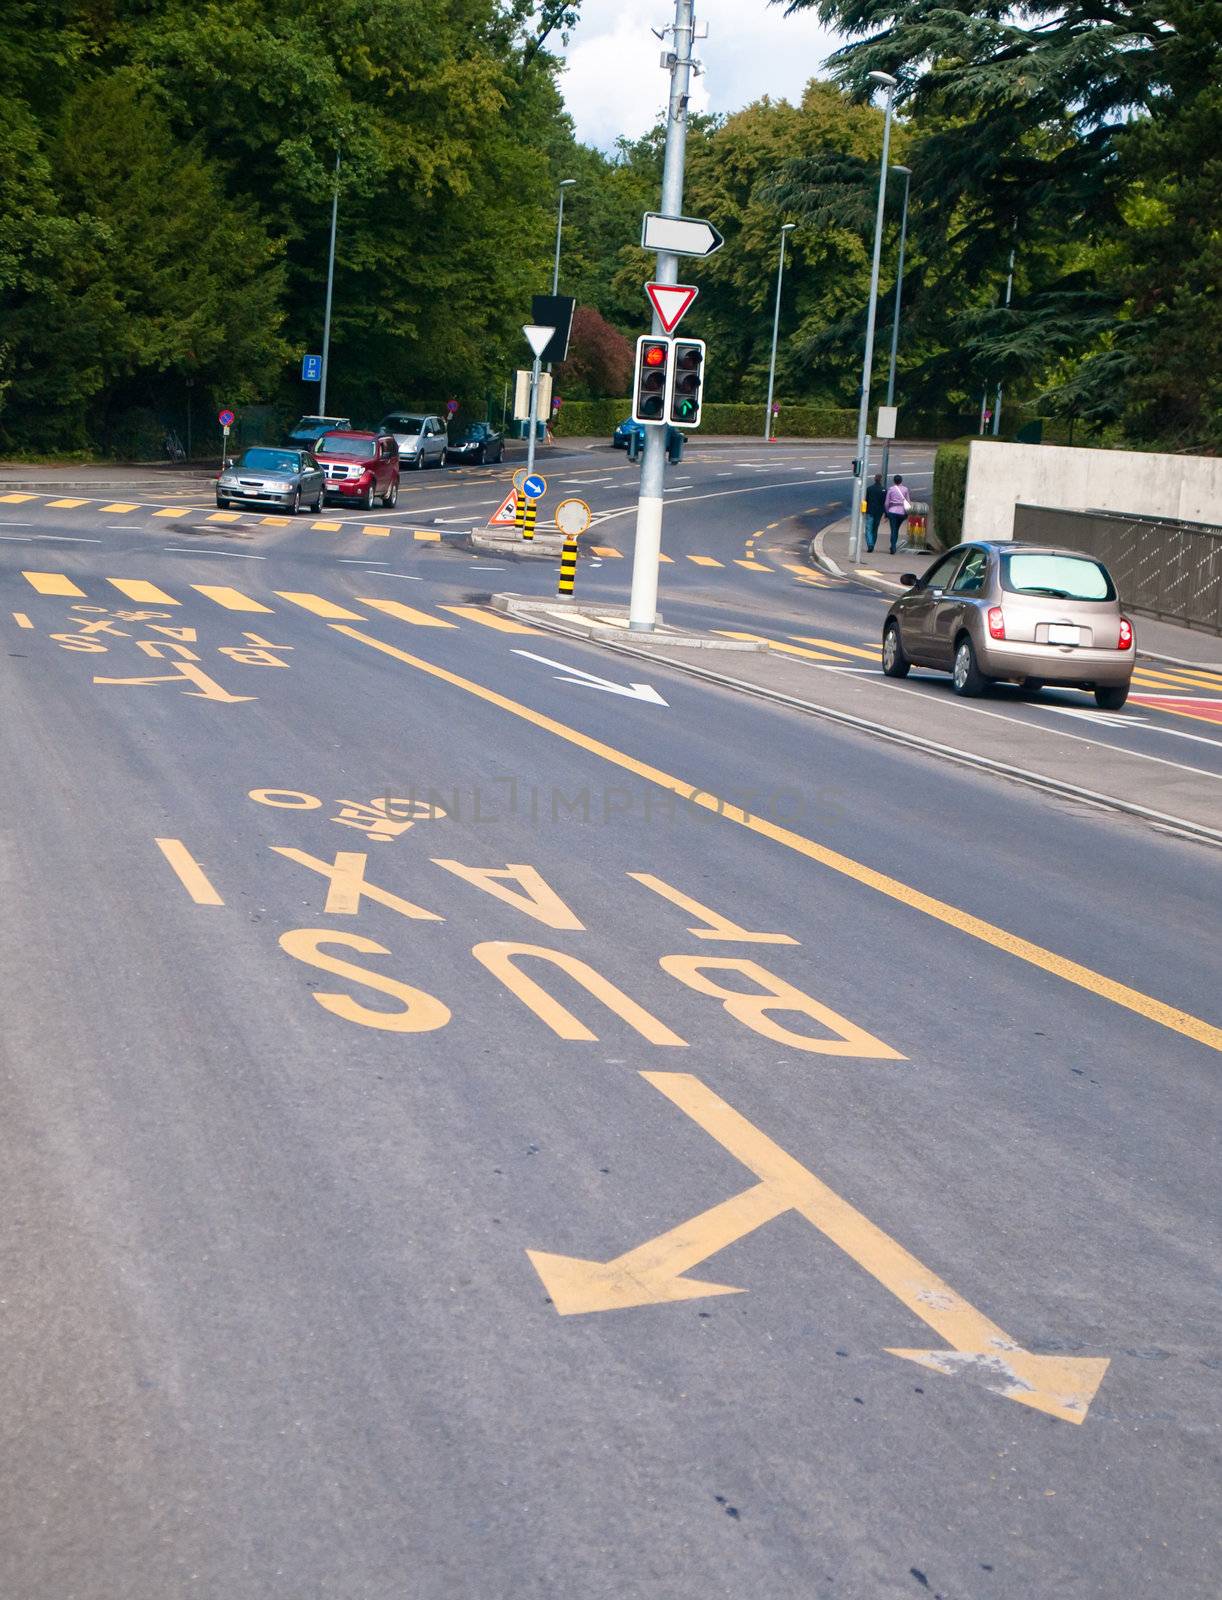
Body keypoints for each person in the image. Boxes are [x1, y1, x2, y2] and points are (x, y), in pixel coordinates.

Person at [884, 474, 911, 554]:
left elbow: (886, 503)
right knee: (896, 529)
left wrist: (887, 512)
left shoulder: (891, 489)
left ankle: (893, 546)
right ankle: (893, 545)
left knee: (893, 529)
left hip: (892, 511)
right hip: (902, 512)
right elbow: (908, 501)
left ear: (894, 481)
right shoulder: (905, 489)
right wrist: (907, 512)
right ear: (901, 481)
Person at [864, 474, 886, 553]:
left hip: (870, 511)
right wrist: (885, 513)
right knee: (875, 529)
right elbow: (884, 503)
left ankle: (870, 544)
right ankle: (872, 544)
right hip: (879, 512)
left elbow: (866, 500)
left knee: (868, 528)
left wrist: (864, 510)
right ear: (881, 480)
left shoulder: (869, 489)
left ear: (874, 479)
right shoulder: (883, 490)